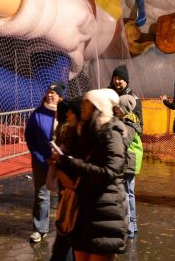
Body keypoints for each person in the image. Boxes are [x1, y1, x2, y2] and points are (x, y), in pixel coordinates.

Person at [52, 88, 127, 261]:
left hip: (105, 212)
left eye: (88, 104)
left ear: (98, 107)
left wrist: (71, 163)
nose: (83, 107)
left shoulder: (112, 133)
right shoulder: (86, 133)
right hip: (84, 211)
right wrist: (61, 165)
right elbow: (81, 170)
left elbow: (109, 173)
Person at [24, 81, 65, 243]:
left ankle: (65, 228)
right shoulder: (37, 114)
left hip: (62, 162)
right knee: (42, 195)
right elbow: (30, 137)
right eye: (48, 92)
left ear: (60, 97)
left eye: (53, 93)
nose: (49, 95)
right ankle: (39, 229)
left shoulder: (65, 114)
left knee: (64, 194)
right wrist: (39, 157)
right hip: (41, 162)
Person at [50, 98, 83, 261]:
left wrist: (62, 163)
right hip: (68, 192)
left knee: (66, 242)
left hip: (74, 194)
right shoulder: (68, 131)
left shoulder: (73, 133)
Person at [116, 94, 143, 238]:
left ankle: (129, 226)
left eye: (118, 107)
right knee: (129, 193)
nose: (116, 109)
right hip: (131, 160)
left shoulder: (128, 124)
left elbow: (123, 143)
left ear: (124, 109)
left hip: (128, 161)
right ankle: (133, 223)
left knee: (126, 193)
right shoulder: (131, 120)